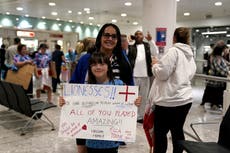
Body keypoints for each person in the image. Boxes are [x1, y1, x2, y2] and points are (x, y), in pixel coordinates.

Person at [69, 23, 136, 153]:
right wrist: (68, 100)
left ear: (117, 40)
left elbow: (130, 88)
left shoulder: (122, 61)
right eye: (106, 35)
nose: (110, 39)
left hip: (111, 121)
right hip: (85, 116)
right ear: (100, 37)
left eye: (114, 36)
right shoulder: (86, 59)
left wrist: (133, 101)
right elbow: (74, 84)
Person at [60, 52, 141, 153]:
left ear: (108, 67)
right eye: (94, 64)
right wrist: (65, 103)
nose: (98, 67)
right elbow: (74, 109)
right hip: (91, 141)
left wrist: (135, 102)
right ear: (90, 67)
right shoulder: (84, 89)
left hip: (111, 141)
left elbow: (128, 108)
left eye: (102, 64)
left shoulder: (119, 85)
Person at [148, 27, 196, 153]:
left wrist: (154, 66)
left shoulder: (173, 51)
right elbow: (189, 74)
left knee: (160, 134)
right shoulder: (190, 55)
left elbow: (162, 74)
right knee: (177, 131)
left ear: (174, 37)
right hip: (185, 100)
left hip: (168, 100)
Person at [128, 30, 158, 123]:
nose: (138, 35)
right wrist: (129, 42)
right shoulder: (131, 47)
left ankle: (140, 117)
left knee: (144, 97)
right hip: (133, 75)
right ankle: (132, 114)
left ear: (143, 36)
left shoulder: (147, 45)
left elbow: (155, 52)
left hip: (145, 76)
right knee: (133, 96)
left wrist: (151, 41)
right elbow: (126, 53)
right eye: (136, 34)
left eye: (140, 34)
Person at [202, 43, 229, 110]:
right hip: (215, 83)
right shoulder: (216, 58)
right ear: (221, 50)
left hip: (218, 83)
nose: (226, 52)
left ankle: (215, 105)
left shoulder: (219, 57)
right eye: (225, 50)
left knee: (216, 98)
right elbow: (219, 69)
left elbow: (225, 64)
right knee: (215, 97)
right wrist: (227, 73)